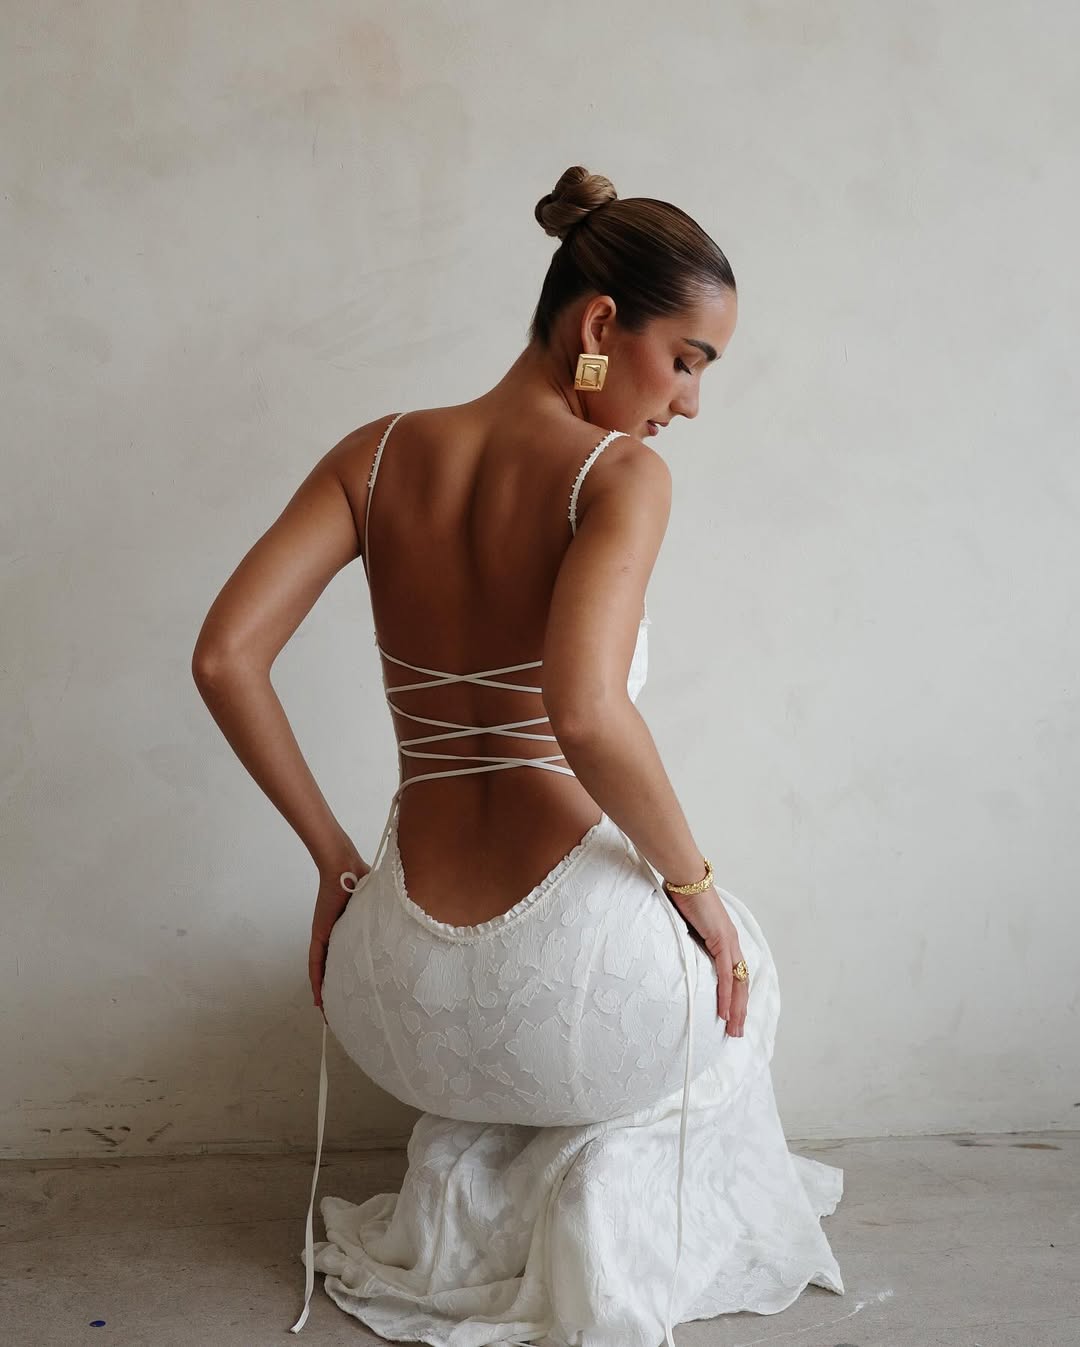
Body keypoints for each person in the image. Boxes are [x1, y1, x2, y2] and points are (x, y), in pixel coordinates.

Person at [192, 165, 845, 1347]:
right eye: (687, 360)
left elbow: (225, 657)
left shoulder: (374, 455)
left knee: (694, 960)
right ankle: (591, 1229)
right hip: (575, 982)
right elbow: (583, 713)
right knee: (743, 964)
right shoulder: (618, 475)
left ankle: (479, 1218)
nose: (690, 403)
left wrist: (337, 867)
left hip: (392, 992)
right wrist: (695, 889)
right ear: (599, 327)